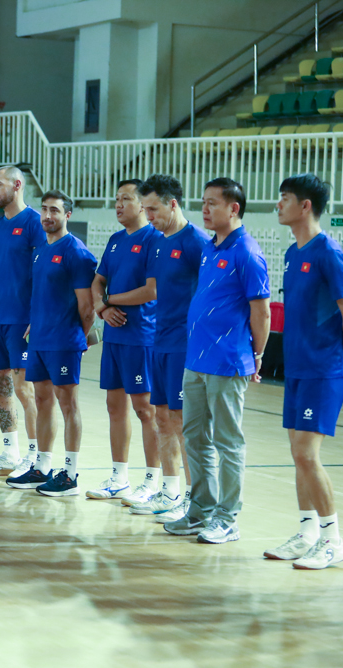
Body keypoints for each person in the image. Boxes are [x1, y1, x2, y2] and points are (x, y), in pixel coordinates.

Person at [263, 174, 343, 569]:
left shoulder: (328, 253)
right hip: (299, 368)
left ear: (305, 206)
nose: (278, 205)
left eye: (284, 198)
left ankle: (332, 539)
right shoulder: (293, 253)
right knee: (297, 454)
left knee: (307, 454)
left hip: (324, 369)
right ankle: (306, 532)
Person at [164, 178, 270, 544]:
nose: (205, 210)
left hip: (228, 362)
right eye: (204, 203)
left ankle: (227, 517)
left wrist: (256, 356)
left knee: (228, 442)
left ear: (234, 208)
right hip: (196, 361)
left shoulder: (248, 252)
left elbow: (262, 313)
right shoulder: (210, 248)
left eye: (212, 204)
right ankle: (200, 510)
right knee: (193, 436)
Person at [6, 190, 96, 496]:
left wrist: (76, 338)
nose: (47, 216)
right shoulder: (41, 250)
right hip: (40, 340)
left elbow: (87, 308)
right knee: (42, 400)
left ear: (67, 215)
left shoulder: (77, 253)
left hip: (64, 342)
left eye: (55, 210)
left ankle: (70, 474)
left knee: (68, 404)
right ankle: (42, 467)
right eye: (44, 209)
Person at [133, 175, 210, 521]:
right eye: (144, 208)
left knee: (182, 423)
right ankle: (171, 491)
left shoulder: (196, 242)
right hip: (159, 341)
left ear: (173, 204)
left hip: (185, 345)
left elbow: (212, 296)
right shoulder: (158, 243)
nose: (147, 215)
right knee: (162, 418)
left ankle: (196, 501)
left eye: (152, 208)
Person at [87, 179, 161, 503]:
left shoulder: (154, 239)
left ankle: (154, 480)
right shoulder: (116, 240)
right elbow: (97, 281)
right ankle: (119, 477)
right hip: (115, 337)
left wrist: (111, 299)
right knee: (113, 406)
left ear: (143, 204)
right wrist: (102, 307)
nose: (118, 205)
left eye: (126, 199)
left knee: (145, 409)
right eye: (116, 199)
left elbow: (152, 289)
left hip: (141, 336)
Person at [0, 166, 44, 477]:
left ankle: (35, 455)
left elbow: (45, 275)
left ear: (17, 185)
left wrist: (38, 316)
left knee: (24, 388)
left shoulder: (35, 224)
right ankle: (9, 451)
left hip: (23, 321)